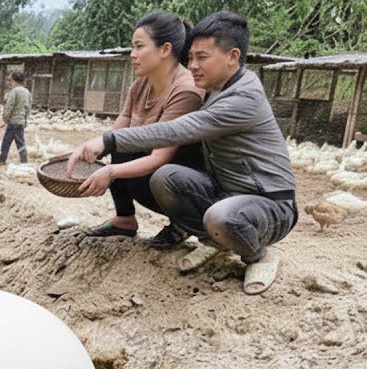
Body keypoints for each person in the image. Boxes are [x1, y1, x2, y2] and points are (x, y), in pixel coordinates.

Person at [67, 11, 297, 295]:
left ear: (232, 57)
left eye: (202, 57)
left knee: (220, 217)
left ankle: (259, 254)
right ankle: (215, 243)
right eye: (190, 58)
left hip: (270, 204)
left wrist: (107, 141)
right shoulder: (214, 88)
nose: (193, 66)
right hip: (228, 193)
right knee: (166, 178)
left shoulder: (243, 98)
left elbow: (175, 130)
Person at [78, 12, 205, 248]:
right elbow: (116, 135)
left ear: (165, 49)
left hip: (184, 176)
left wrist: (111, 172)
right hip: (154, 160)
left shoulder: (185, 91)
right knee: (118, 149)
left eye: (139, 46)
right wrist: (89, 152)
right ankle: (124, 219)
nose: (132, 54)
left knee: (131, 174)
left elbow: (160, 157)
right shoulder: (140, 86)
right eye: (132, 47)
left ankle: (184, 223)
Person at [0, 71, 30, 165]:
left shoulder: (13, 92)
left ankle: (2, 161)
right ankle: (24, 161)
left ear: (14, 81)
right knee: (20, 142)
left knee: (6, 143)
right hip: (21, 121)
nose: (9, 83)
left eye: (10, 80)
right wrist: (24, 120)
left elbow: (9, 106)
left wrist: (5, 119)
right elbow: (28, 108)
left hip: (13, 122)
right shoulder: (27, 92)